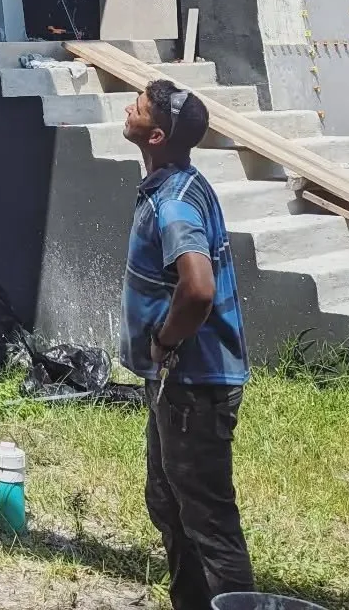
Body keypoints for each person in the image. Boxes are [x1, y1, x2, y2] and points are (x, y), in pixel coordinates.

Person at [121, 77, 254, 610]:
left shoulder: (173, 204)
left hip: (193, 386)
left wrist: (164, 339)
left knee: (208, 522)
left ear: (155, 135)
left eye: (137, 107)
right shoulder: (181, 182)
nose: (128, 109)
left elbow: (197, 287)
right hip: (179, 385)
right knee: (169, 502)